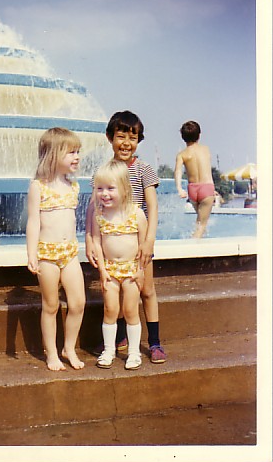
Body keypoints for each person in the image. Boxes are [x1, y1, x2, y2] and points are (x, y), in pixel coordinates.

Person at [85, 111, 167, 363]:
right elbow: (93, 206)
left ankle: (154, 342)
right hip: (112, 241)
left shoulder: (144, 170)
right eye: (121, 137)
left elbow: (151, 206)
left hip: (138, 240)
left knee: (147, 290)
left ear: (138, 141)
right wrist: (89, 238)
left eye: (132, 138)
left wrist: (149, 240)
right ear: (110, 138)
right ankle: (120, 337)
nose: (126, 143)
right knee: (115, 293)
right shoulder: (104, 171)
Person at [25, 127, 86, 371]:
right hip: (47, 255)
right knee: (50, 306)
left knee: (78, 303)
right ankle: (51, 353)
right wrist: (31, 253)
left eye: (78, 151)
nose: (77, 157)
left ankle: (68, 347)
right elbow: (33, 221)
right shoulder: (38, 187)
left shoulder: (74, 186)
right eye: (71, 152)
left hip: (69, 253)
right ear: (52, 155)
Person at [91, 160, 148, 370]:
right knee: (110, 309)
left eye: (110, 188)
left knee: (130, 309)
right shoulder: (100, 216)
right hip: (110, 270)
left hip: (132, 269)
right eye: (99, 189)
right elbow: (97, 242)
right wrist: (102, 270)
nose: (104, 194)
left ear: (124, 189)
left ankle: (133, 353)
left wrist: (141, 271)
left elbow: (143, 245)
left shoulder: (136, 213)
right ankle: (109, 350)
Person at [174, 120, 215, 238]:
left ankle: (201, 244)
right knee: (202, 224)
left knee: (200, 222)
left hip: (192, 190)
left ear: (183, 137)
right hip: (206, 188)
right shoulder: (205, 149)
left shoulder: (182, 154)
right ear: (199, 134)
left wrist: (179, 188)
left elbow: (178, 171)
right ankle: (190, 249)